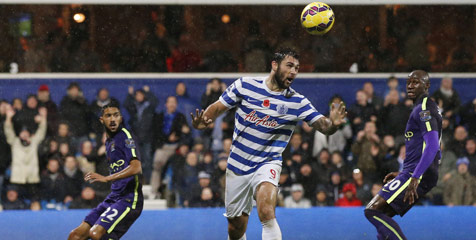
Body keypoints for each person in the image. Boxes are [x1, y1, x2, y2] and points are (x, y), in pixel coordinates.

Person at [191, 48, 347, 240]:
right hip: (237, 165)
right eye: (289, 65)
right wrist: (203, 120)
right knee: (236, 228)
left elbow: (323, 126)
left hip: (268, 162)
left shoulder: (297, 102)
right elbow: (217, 107)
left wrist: (333, 125)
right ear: (274, 65)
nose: (293, 72)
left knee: (266, 211)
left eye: (297, 68)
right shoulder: (245, 86)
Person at [365, 70, 442, 240]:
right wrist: (404, 173)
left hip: (417, 174)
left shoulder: (423, 108)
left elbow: (433, 145)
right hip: (414, 171)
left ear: (427, 86)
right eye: (408, 82)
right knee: (383, 219)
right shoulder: (424, 107)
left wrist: (414, 176)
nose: (410, 86)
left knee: (372, 211)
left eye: (416, 82)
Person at [68, 102, 143, 240]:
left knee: (96, 234)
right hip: (113, 198)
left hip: (129, 198)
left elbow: (136, 167)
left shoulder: (124, 135)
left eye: (116, 115)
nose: (113, 119)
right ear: (102, 120)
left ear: (120, 118)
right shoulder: (109, 142)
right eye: (108, 116)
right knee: (75, 236)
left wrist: (107, 178)